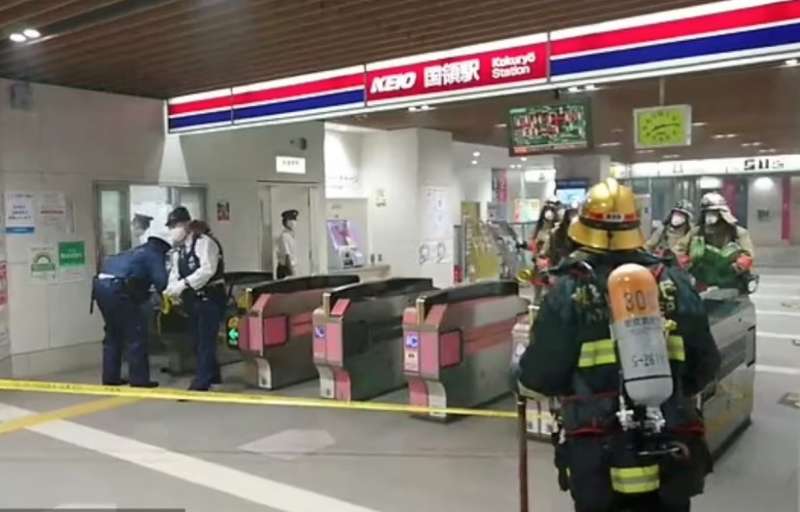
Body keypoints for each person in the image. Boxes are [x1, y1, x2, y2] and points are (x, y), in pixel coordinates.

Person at [517, 178, 720, 512]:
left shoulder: (569, 291)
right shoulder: (674, 283)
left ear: (582, 228)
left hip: (596, 450)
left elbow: (541, 376)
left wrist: (520, 377)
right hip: (671, 441)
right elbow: (706, 363)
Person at [93, 231, 172, 387]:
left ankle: (110, 377)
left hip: (100, 289)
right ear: (163, 247)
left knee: (113, 333)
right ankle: (139, 380)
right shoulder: (154, 254)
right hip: (119, 291)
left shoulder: (135, 250)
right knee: (135, 334)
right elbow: (162, 282)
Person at [164, 207, 226, 391]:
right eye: (171, 226)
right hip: (193, 301)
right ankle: (213, 374)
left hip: (210, 298)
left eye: (176, 225)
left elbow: (207, 270)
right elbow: (174, 273)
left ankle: (201, 382)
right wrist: (170, 290)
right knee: (197, 340)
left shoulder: (204, 243)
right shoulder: (179, 250)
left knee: (205, 341)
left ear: (186, 224)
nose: (173, 230)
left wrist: (183, 284)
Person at [674, 193, 754, 289]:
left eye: (713, 212)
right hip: (701, 281)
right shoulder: (696, 232)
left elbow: (748, 255)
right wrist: (686, 263)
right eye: (707, 213)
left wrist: (736, 267)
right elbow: (679, 249)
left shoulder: (737, 233)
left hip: (731, 283)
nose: (709, 216)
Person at [276, 209, 299, 279]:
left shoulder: (291, 236)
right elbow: (287, 256)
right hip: (285, 269)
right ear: (286, 222)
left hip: (290, 268)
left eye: (295, 220)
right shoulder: (284, 236)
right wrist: (291, 273)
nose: (294, 222)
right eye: (291, 220)